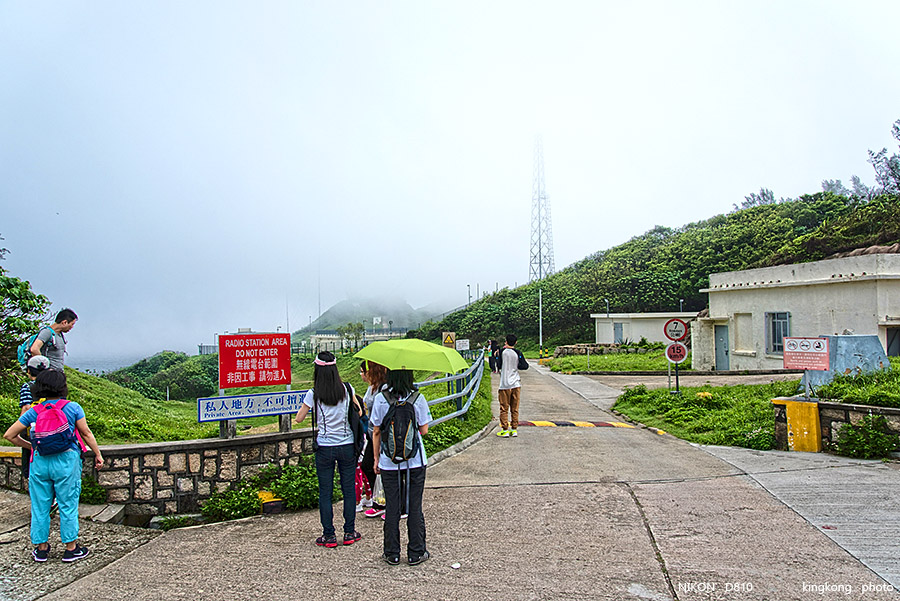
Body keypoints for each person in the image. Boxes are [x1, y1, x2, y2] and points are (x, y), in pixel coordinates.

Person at [3, 369, 103, 563]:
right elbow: (86, 433)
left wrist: (31, 446)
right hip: (66, 462)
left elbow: (9, 435)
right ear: (62, 387)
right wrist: (98, 454)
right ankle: (71, 548)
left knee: (40, 506)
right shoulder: (73, 408)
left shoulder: (34, 411)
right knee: (67, 504)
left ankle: (41, 549)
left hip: (40, 463)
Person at [294, 351, 362, 548]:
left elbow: (299, 418)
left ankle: (329, 535)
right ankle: (349, 532)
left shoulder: (313, 393)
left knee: (325, 492)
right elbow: (359, 411)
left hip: (324, 447)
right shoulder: (347, 389)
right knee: (348, 490)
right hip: (347, 445)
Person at [371, 369, 432, 566]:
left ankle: (392, 553)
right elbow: (424, 429)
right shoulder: (417, 398)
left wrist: (376, 459)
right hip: (415, 462)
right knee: (414, 506)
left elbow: (376, 431)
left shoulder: (381, 399)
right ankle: (416, 552)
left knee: (392, 506)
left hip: (389, 462)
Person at [360, 360, 388, 518]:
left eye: (363, 371)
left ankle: (393, 503)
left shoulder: (383, 388)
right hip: (372, 433)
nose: (362, 374)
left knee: (383, 468)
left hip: (381, 434)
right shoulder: (372, 387)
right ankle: (380, 501)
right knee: (368, 466)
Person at [18, 355, 51, 484]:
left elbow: (26, 408)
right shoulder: (53, 386)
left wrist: (19, 427)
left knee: (30, 460)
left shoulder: (28, 387)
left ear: (29, 370)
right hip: (51, 427)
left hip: (32, 430)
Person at [497, 334, 522, 438]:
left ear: (506, 341)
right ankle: (514, 429)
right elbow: (524, 366)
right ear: (516, 342)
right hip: (516, 384)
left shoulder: (501, 352)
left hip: (504, 384)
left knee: (504, 408)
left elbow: (498, 365)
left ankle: (505, 430)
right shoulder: (517, 353)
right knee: (515, 408)